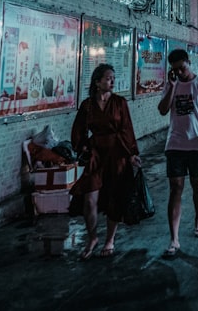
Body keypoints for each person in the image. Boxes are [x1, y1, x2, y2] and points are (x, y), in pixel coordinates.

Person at [157, 48, 198, 259]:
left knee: (197, 185)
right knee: (175, 188)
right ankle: (174, 238)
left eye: (182, 68)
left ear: (189, 63)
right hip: (175, 144)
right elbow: (162, 110)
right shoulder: (172, 85)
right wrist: (172, 86)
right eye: (175, 70)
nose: (179, 73)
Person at [71, 63, 141, 260]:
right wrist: (82, 146)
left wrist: (132, 153)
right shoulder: (88, 105)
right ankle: (92, 237)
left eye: (113, 78)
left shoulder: (119, 103)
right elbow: (79, 130)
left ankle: (110, 239)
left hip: (117, 153)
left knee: (114, 197)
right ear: (97, 82)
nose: (112, 81)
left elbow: (127, 128)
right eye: (108, 78)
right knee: (89, 199)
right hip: (96, 154)